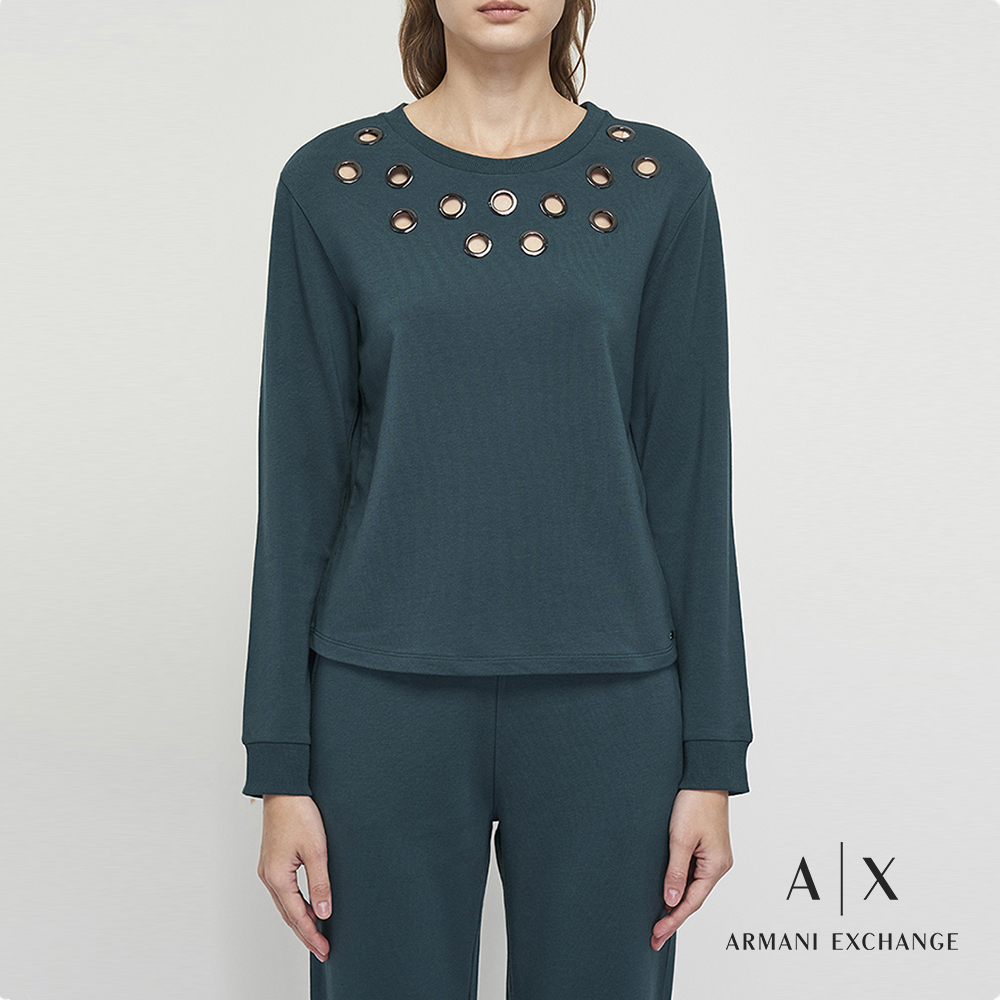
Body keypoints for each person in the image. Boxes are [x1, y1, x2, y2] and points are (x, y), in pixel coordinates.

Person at [239, 0, 754, 996]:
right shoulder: (329, 185)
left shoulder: (662, 184)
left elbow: (693, 480)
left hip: (610, 708)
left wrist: (712, 757)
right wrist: (280, 765)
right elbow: (295, 488)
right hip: (380, 702)